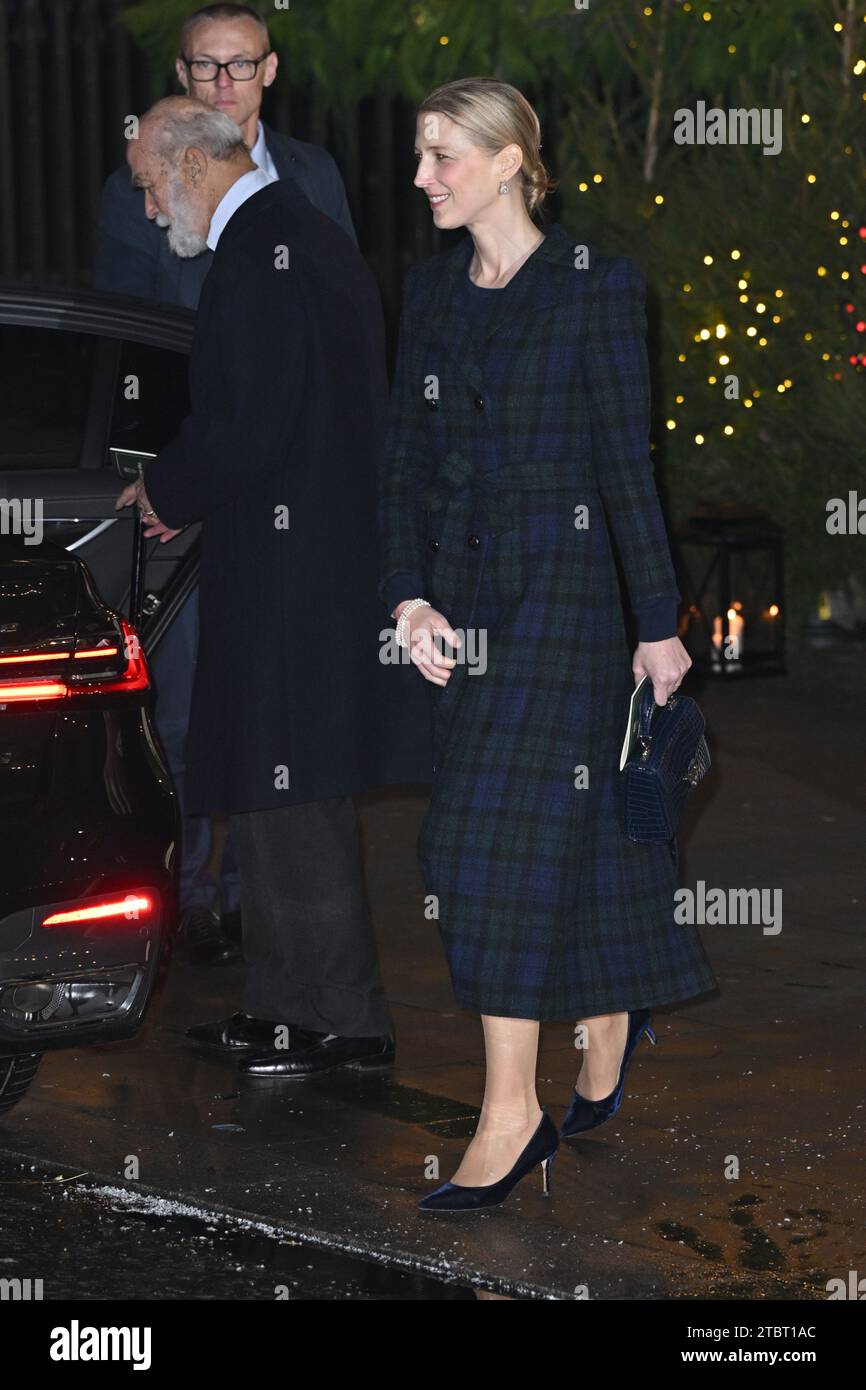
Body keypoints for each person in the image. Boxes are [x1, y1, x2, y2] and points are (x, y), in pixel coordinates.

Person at [379, 77, 717, 1211]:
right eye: (419, 157)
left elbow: (628, 467)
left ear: (512, 159)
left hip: (566, 607)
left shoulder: (594, 289)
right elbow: (403, 471)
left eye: (441, 157)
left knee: (482, 850)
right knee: (536, 843)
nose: (421, 177)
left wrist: (653, 625)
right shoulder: (428, 297)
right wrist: (407, 599)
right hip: (464, 616)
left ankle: (509, 1113)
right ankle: (609, 1004)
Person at [116, 96, 430, 1077]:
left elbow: (247, 426)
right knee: (267, 783)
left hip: (295, 573)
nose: (146, 206)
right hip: (298, 561)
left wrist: (165, 487)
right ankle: (286, 1007)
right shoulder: (299, 235)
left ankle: (344, 1020)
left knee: (294, 795)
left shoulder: (263, 251)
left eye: (147, 184)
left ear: (193, 166)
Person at [95, 3, 356, 966]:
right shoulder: (138, 185)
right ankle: (192, 894)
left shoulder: (313, 179)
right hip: (191, 477)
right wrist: (170, 477)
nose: (222, 85)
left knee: (272, 697)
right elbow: (125, 341)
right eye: (204, 69)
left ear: (269, 72)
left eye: (238, 67)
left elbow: (333, 330)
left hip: (272, 483)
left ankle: (263, 906)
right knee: (188, 689)